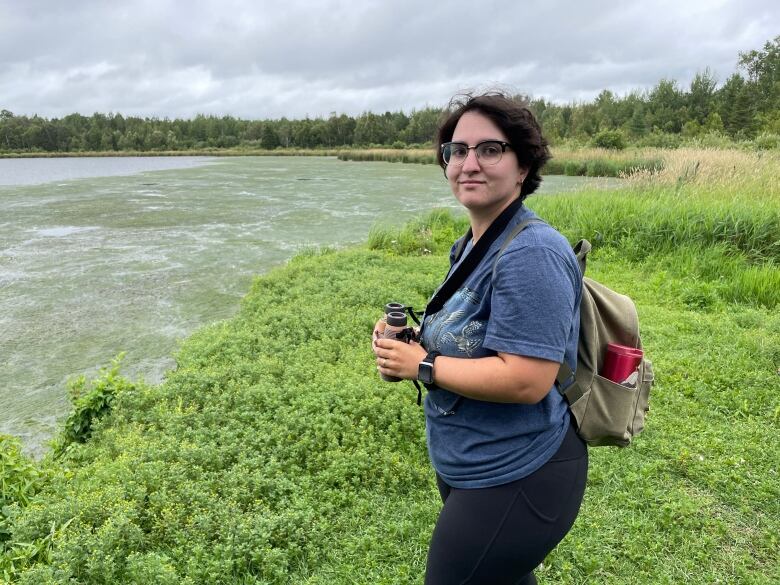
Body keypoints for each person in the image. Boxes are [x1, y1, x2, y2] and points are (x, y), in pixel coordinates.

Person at [372, 92, 587, 585]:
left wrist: (421, 367)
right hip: (474, 463)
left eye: (490, 149)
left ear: (523, 164)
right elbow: (473, 335)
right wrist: (410, 341)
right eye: (457, 150)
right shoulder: (473, 242)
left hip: (520, 473)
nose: (469, 163)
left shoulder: (532, 251)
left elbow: (528, 380)